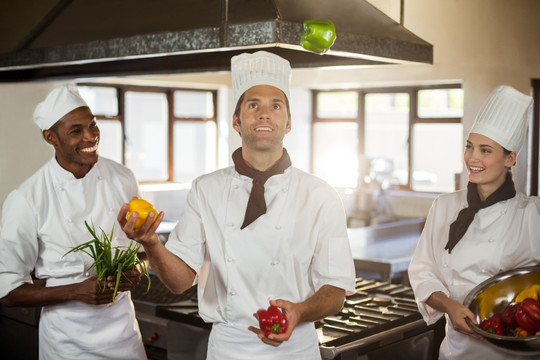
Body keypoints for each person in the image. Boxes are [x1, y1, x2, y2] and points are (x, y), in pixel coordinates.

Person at [118, 51, 356, 359]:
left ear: (288, 123)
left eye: (276, 105)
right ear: (236, 121)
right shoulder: (206, 189)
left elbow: (335, 292)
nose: (264, 114)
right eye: (253, 105)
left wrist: (299, 311)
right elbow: (179, 283)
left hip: (295, 350)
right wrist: (151, 243)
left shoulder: (321, 194)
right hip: (229, 349)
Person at [0, 84, 147, 359]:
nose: (91, 136)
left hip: (125, 337)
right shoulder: (27, 198)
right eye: (75, 130)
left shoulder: (122, 177)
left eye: (92, 124)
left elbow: (139, 251)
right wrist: (76, 291)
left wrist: (137, 269)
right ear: (50, 137)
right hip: (67, 344)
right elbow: (7, 291)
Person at [408, 85, 539, 360]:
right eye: (469, 147)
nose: (473, 158)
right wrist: (449, 306)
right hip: (456, 352)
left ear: (510, 158)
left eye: (485, 150)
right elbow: (423, 273)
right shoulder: (444, 207)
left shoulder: (532, 214)